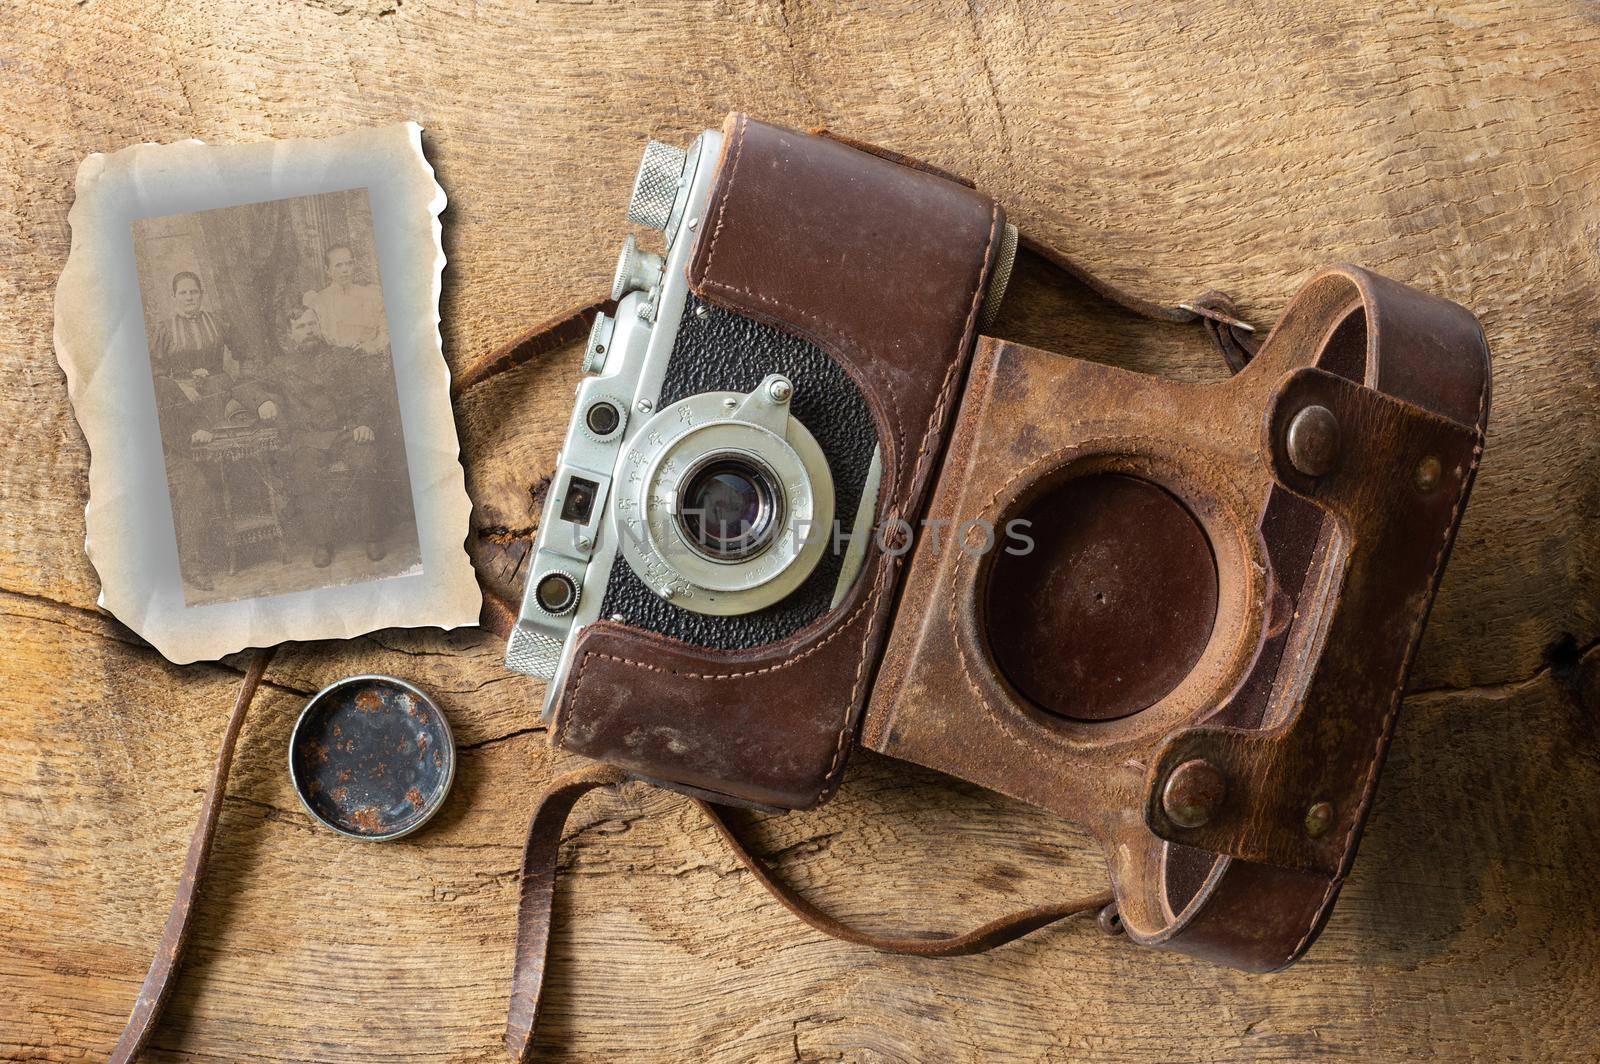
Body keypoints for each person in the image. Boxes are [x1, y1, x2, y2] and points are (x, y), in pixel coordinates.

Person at [237, 305, 396, 568]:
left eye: (312, 324)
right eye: (301, 327)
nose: (308, 331)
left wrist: (364, 422)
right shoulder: (281, 365)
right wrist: (262, 401)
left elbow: (370, 396)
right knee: (304, 472)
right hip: (307, 439)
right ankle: (323, 543)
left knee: (367, 461)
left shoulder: (342, 357)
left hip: (346, 432)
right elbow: (244, 386)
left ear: (319, 326)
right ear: (290, 334)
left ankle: (373, 536)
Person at [302, 243, 388, 354]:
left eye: (349, 263)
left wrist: (373, 347)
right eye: (338, 265)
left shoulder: (372, 295)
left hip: (372, 358)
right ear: (327, 270)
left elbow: (385, 332)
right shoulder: (318, 302)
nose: (345, 270)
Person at [151, 271, 238, 379]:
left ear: (202, 294)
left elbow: (245, 352)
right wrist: (180, 389)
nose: (189, 298)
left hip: (219, 388)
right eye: (183, 293)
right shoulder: (165, 329)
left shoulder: (217, 320)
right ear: (174, 296)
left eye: (194, 292)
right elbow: (156, 373)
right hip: (184, 392)